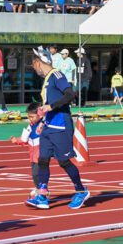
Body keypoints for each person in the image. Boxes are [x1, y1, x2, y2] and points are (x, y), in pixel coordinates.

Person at [25, 48, 90, 210]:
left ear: (37, 63)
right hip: (49, 125)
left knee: (63, 161)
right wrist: (43, 120)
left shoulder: (57, 75)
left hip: (61, 125)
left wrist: (51, 106)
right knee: (42, 159)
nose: (34, 69)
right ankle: (42, 195)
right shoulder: (47, 79)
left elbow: (70, 94)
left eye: (33, 65)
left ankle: (81, 190)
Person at [9, 102, 43, 199]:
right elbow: (24, 139)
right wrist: (16, 140)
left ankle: (42, 192)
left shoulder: (42, 125)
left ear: (40, 115)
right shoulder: (30, 126)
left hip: (41, 155)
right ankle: (40, 190)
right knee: (35, 175)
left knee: (37, 174)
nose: (30, 119)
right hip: (33, 156)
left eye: (32, 117)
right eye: (29, 117)